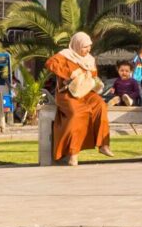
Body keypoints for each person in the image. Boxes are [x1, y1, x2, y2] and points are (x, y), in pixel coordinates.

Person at [43, 32, 109, 166]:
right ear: (77, 45)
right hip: (67, 93)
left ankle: (102, 144)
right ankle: (73, 153)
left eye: (89, 46)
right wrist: (69, 74)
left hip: (86, 92)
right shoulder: (65, 55)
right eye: (85, 47)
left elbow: (94, 75)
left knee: (100, 105)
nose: (88, 50)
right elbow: (50, 63)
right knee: (78, 113)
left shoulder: (89, 59)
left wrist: (92, 76)